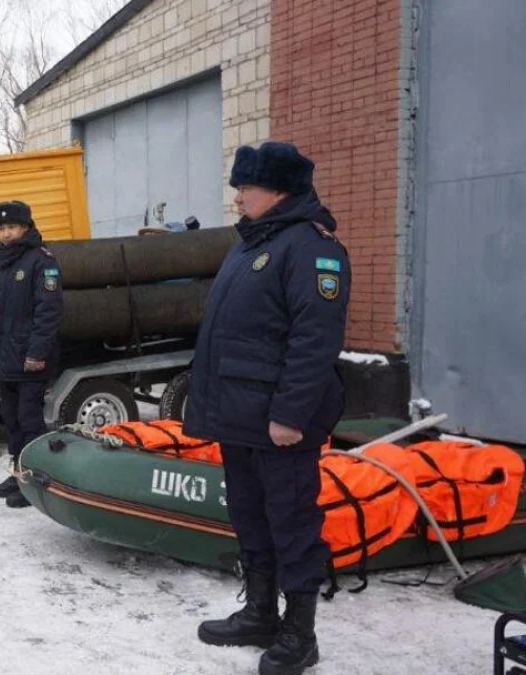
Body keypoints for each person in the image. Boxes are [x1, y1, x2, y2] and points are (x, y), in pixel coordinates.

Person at [183, 142, 350, 675]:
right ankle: (259, 613)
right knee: (250, 516)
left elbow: (314, 341)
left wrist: (291, 415)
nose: (236, 197)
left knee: (293, 522)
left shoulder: (312, 247)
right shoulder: (253, 243)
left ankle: (300, 635)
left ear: (277, 191)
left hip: (279, 422)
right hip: (240, 415)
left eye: (245, 188)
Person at [0, 200, 63, 509]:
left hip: (31, 361)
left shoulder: (42, 261)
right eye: (0, 229)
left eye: (11, 228)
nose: (5, 234)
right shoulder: (5, 263)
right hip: (7, 359)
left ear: (26, 227)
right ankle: (17, 474)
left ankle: (34, 481)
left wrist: (36, 353)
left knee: (30, 421)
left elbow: (49, 313)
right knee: (12, 421)